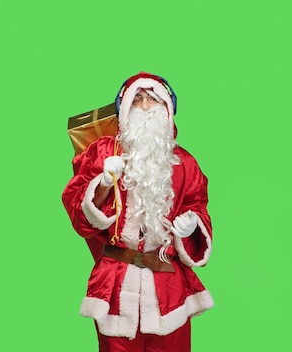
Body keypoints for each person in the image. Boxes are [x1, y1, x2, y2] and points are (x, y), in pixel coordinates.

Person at [62, 72, 213, 351]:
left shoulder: (186, 163)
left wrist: (192, 225)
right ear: (124, 110)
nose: (145, 106)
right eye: (137, 99)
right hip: (116, 286)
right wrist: (104, 184)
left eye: (153, 99)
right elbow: (80, 218)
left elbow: (197, 205)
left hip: (169, 286)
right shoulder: (103, 152)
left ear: (168, 110)